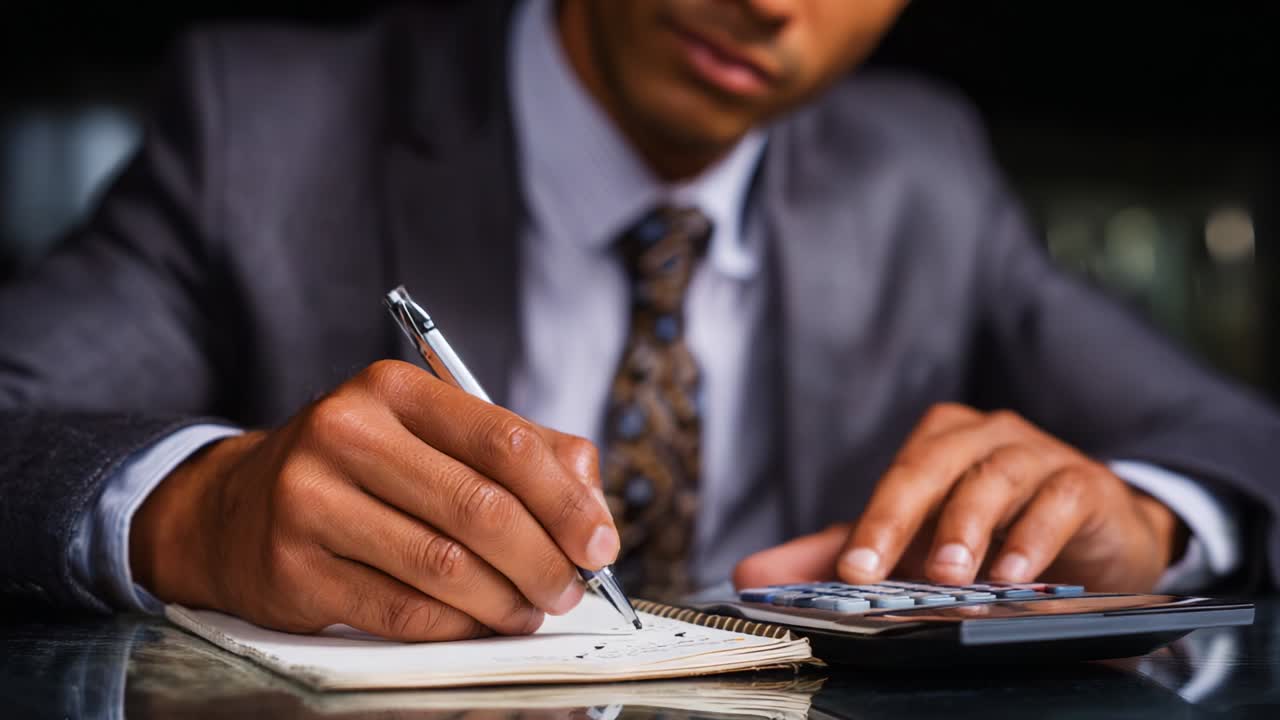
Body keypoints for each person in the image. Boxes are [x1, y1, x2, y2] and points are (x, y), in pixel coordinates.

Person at [1, 0, 1277, 641]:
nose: (770, 4)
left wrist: (1149, 520)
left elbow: (1233, 435)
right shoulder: (267, 129)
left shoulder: (921, 174)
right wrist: (194, 506)